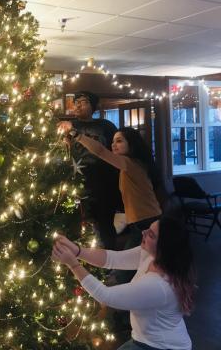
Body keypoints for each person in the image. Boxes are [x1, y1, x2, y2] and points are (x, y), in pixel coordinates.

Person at [52, 217, 195, 350]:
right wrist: (77, 251)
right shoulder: (152, 256)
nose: (144, 232)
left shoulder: (158, 285)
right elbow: (112, 259)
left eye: (151, 234)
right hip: (146, 339)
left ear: (164, 248)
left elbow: (105, 296)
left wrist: (73, 264)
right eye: (148, 229)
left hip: (160, 346)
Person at [76, 127, 162, 263]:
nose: (113, 145)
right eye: (113, 141)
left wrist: (77, 135)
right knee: (144, 259)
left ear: (131, 144)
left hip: (144, 221)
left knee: (135, 260)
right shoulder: (134, 164)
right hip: (147, 218)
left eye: (119, 141)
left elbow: (100, 151)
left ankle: (118, 279)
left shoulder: (129, 163)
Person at [58, 91, 121, 249]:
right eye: (76, 101)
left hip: (103, 183)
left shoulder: (105, 126)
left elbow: (116, 151)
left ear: (93, 106)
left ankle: (109, 261)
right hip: (76, 183)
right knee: (77, 222)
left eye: (84, 101)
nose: (78, 104)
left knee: (105, 224)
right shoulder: (68, 126)